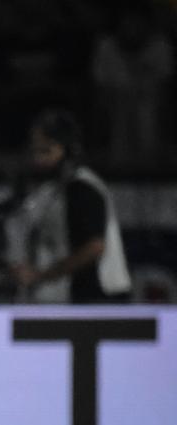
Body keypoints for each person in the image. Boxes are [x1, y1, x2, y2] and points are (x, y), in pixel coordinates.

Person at [10, 109, 131, 303]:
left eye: (46, 151)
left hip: (101, 297)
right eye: (35, 151)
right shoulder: (56, 189)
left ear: (67, 150)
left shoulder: (82, 187)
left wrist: (42, 275)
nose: (38, 159)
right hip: (81, 297)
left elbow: (94, 247)